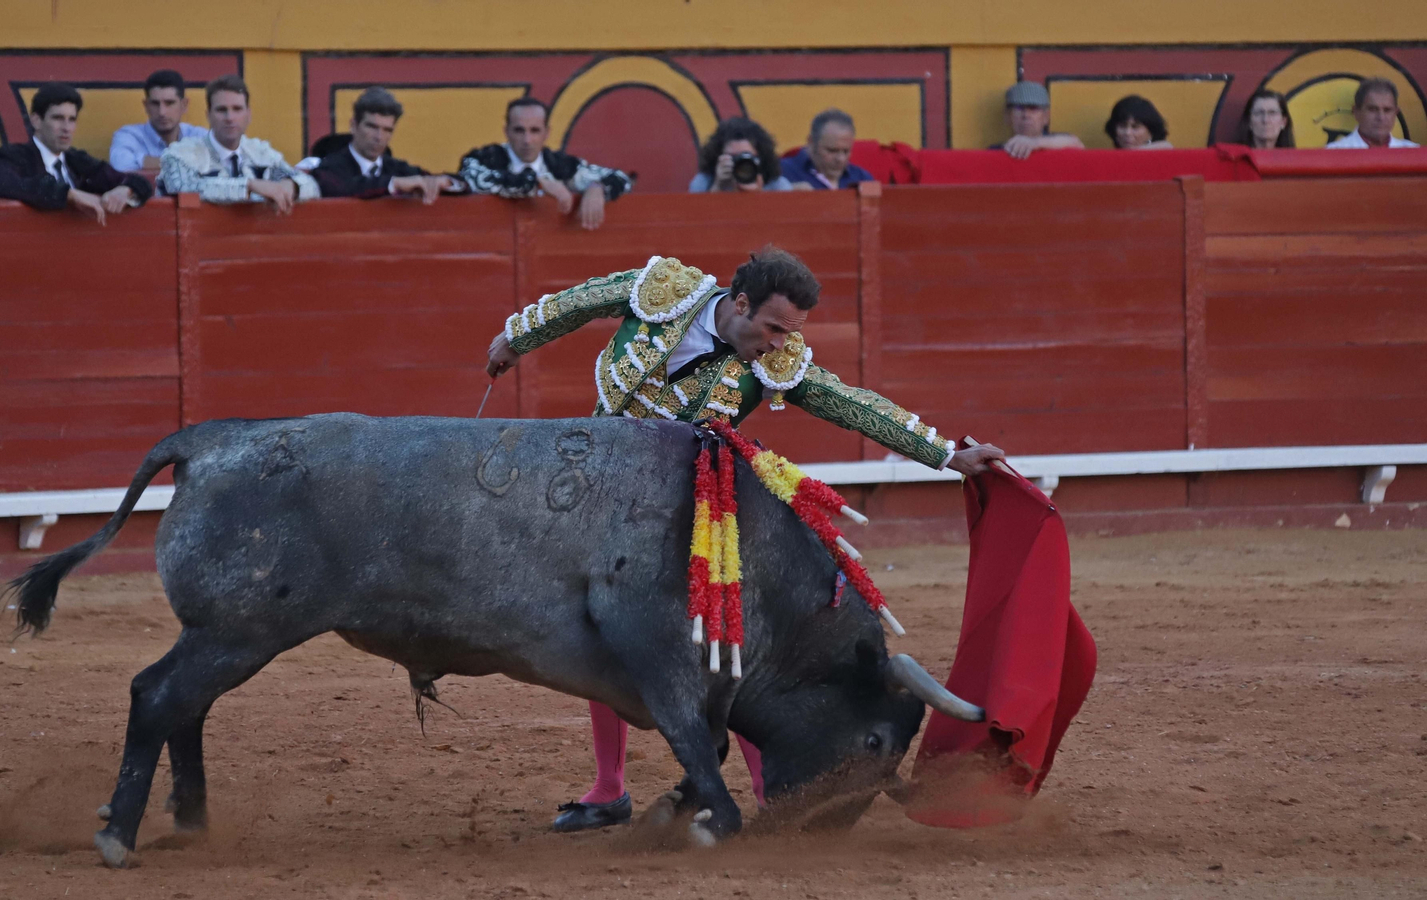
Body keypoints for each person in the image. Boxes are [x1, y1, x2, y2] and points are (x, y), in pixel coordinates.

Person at [485, 246, 1007, 832]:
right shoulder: (663, 292)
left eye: (791, 332)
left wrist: (944, 454)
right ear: (738, 304)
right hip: (603, 496)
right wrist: (515, 339)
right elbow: (579, 301)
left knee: (732, 638)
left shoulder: (776, 364)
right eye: (774, 327)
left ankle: (763, 794)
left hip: (692, 507)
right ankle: (609, 789)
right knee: (605, 631)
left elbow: (850, 404)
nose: (781, 343)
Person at [0, 84, 152, 224]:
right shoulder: (13, 156)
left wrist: (125, 190)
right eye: (57, 118)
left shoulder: (77, 161)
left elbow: (140, 182)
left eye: (72, 119)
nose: (66, 128)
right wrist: (69, 194)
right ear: (36, 121)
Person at [459, 97, 631, 230]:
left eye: (535, 131)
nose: (527, 140)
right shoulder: (486, 158)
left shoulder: (560, 165)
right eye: (519, 130)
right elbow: (470, 177)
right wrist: (537, 183)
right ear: (507, 131)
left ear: (546, 133)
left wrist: (597, 187)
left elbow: (622, 178)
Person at [159, 75, 318, 212]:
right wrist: (249, 186)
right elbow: (184, 187)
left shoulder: (261, 154)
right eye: (222, 110)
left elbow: (312, 186)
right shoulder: (182, 154)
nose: (230, 117)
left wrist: (292, 185)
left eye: (237, 109)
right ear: (208, 116)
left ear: (248, 115)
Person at [312, 87, 461, 203]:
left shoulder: (397, 168)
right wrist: (393, 184)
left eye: (387, 130)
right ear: (353, 125)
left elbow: (457, 183)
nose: (379, 137)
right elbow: (339, 186)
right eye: (372, 127)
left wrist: (444, 181)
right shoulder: (330, 165)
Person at [109, 69, 210, 172]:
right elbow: (120, 165)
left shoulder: (199, 136)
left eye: (169, 103)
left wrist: (145, 161)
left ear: (184, 105)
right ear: (146, 106)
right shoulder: (129, 135)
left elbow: (221, 162)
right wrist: (189, 161)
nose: (162, 112)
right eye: (155, 103)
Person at [779, 109, 874, 190]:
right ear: (811, 142)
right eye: (832, 151)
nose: (840, 159)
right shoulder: (782, 172)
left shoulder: (862, 178)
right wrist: (784, 191)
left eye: (846, 151)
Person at [689, 117, 791, 192]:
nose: (739, 162)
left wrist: (758, 195)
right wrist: (718, 187)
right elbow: (698, 217)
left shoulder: (778, 186)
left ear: (760, 158)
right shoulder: (703, 183)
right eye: (732, 157)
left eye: (746, 156)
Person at [991, 81, 1084, 159]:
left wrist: (1034, 143)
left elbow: (1076, 144)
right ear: (1007, 116)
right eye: (1019, 108)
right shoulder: (994, 152)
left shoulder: (1057, 144)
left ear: (1046, 117)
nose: (1026, 115)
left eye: (1033, 108)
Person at [1327, 78, 1420, 149]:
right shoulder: (1335, 152)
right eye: (1372, 109)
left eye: (1387, 110)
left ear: (1395, 113)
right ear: (1356, 112)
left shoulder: (1414, 152)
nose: (1381, 117)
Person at [1105, 95, 1174, 150]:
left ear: (1151, 131)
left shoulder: (1166, 157)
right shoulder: (1109, 160)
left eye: (1135, 127)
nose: (1128, 133)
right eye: (1123, 126)